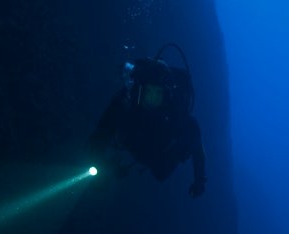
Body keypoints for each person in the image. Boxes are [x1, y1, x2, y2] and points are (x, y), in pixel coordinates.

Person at [87, 45, 207, 198]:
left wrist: (200, 179)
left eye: (158, 93)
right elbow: (99, 134)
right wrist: (100, 164)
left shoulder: (173, 109)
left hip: (158, 152)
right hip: (133, 143)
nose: (152, 98)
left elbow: (195, 137)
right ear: (140, 90)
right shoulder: (126, 102)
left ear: (165, 94)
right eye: (148, 92)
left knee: (160, 173)